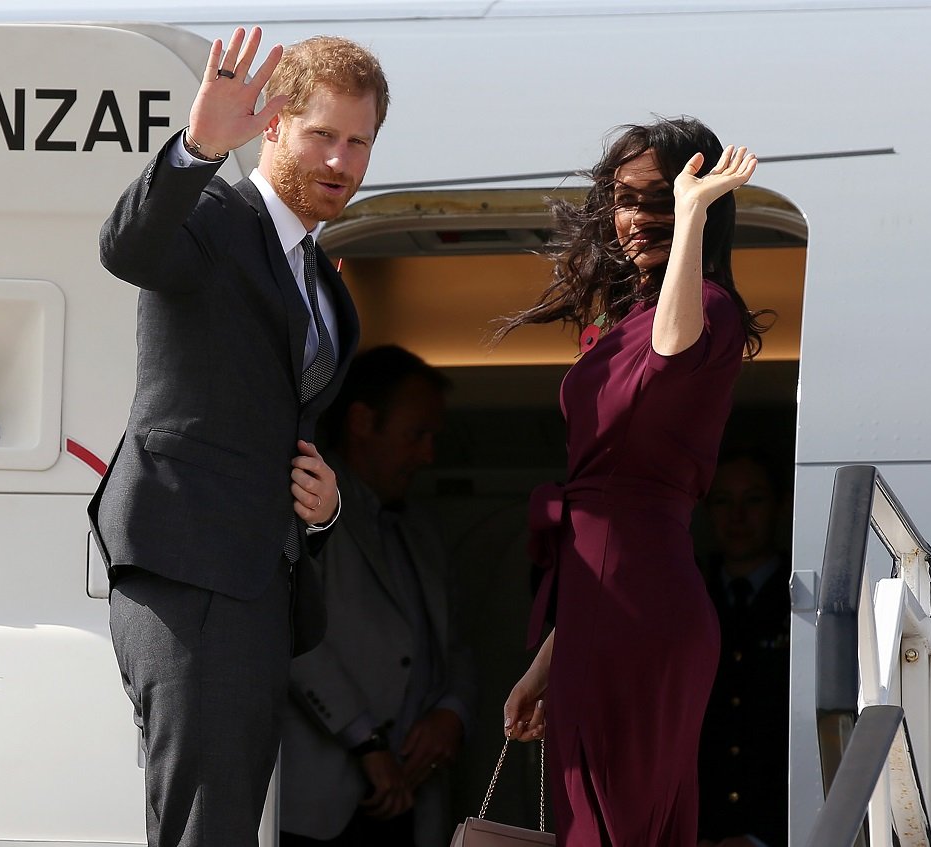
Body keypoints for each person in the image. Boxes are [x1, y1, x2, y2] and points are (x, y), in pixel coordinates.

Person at [88, 27, 389, 847]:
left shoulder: (324, 277)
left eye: (358, 142)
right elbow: (128, 246)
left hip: (260, 586)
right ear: (275, 127)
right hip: (187, 568)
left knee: (224, 823)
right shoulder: (215, 214)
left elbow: (287, 420)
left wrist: (323, 510)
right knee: (205, 825)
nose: (340, 160)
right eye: (322, 134)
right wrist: (194, 149)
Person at [498, 117, 768, 846]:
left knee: (617, 823)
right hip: (598, 607)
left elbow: (672, 352)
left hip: (643, 609)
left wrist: (691, 215)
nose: (638, 218)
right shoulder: (624, 319)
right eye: (626, 199)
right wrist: (548, 659)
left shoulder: (703, 307)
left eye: (662, 200)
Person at [279, 345, 475, 847]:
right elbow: (293, 629)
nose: (429, 455)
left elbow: (455, 643)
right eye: (417, 436)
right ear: (363, 422)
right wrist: (364, 740)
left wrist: (451, 711)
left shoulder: (425, 531)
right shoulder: (304, 506)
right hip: (320, 802)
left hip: (415, 799)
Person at [697, 449, 791, 847]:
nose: (737, 516)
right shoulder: (685, 597)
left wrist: (763, 836)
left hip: (784, 830)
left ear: (780, 508)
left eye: (752, 499)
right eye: (722, 500)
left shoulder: (807, 598)